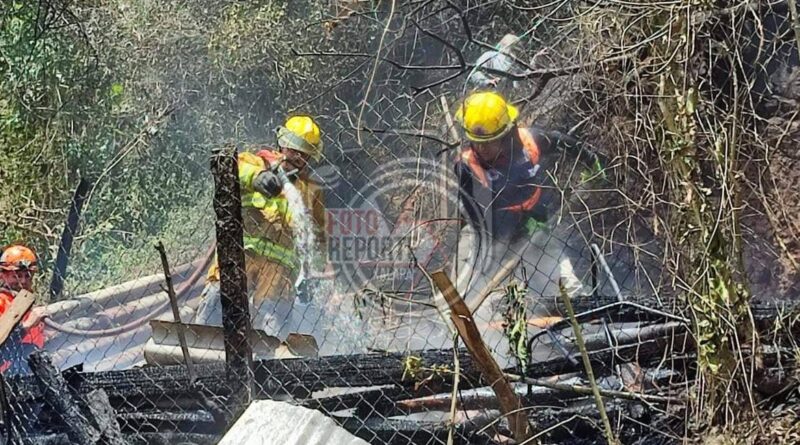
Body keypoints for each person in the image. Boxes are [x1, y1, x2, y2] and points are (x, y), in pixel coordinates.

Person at [451, 91, 586, 316]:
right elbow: (481, 220)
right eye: (477, 142)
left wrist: (593, 162)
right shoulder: (466, 167)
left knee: (568, 290)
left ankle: (579, 319)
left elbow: (565, 143)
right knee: (473, 299)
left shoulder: (530, 142)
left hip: (537, 229)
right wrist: (520, 230)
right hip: (486, 236)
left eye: (489, 142)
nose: (482, 149)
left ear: (506, 135)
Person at [194, 115, 328, 336]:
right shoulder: (255, 163)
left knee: (271, 337)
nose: (298, 157)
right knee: (212, 323)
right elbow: (230, 168)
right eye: (294, 150)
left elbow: (318, 237)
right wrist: (257, 178)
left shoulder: (311, 190)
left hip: (279, 276)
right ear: (282, 144)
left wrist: (313, 274)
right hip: (238, 260)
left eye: (304, 154)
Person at [0, 245, 46, 375]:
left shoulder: (28, 304)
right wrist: (27, 326)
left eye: (27, 276)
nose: (23, 281)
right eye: (16, 276)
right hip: (7, 375)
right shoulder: (2, 302)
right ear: (2, 275)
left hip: (29, 371)